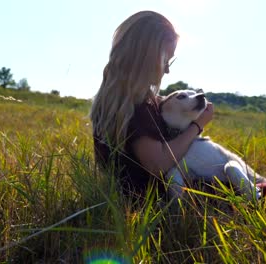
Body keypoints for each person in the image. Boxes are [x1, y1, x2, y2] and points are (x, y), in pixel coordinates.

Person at [90, 11, 214, 198]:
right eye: (166, 60)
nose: (167, 70)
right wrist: (197, 126)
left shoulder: (116, 100)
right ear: (147, 56)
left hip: (132, 199)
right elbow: (158, 164)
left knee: (265, 186)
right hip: (154, 204)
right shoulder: (137, 107)